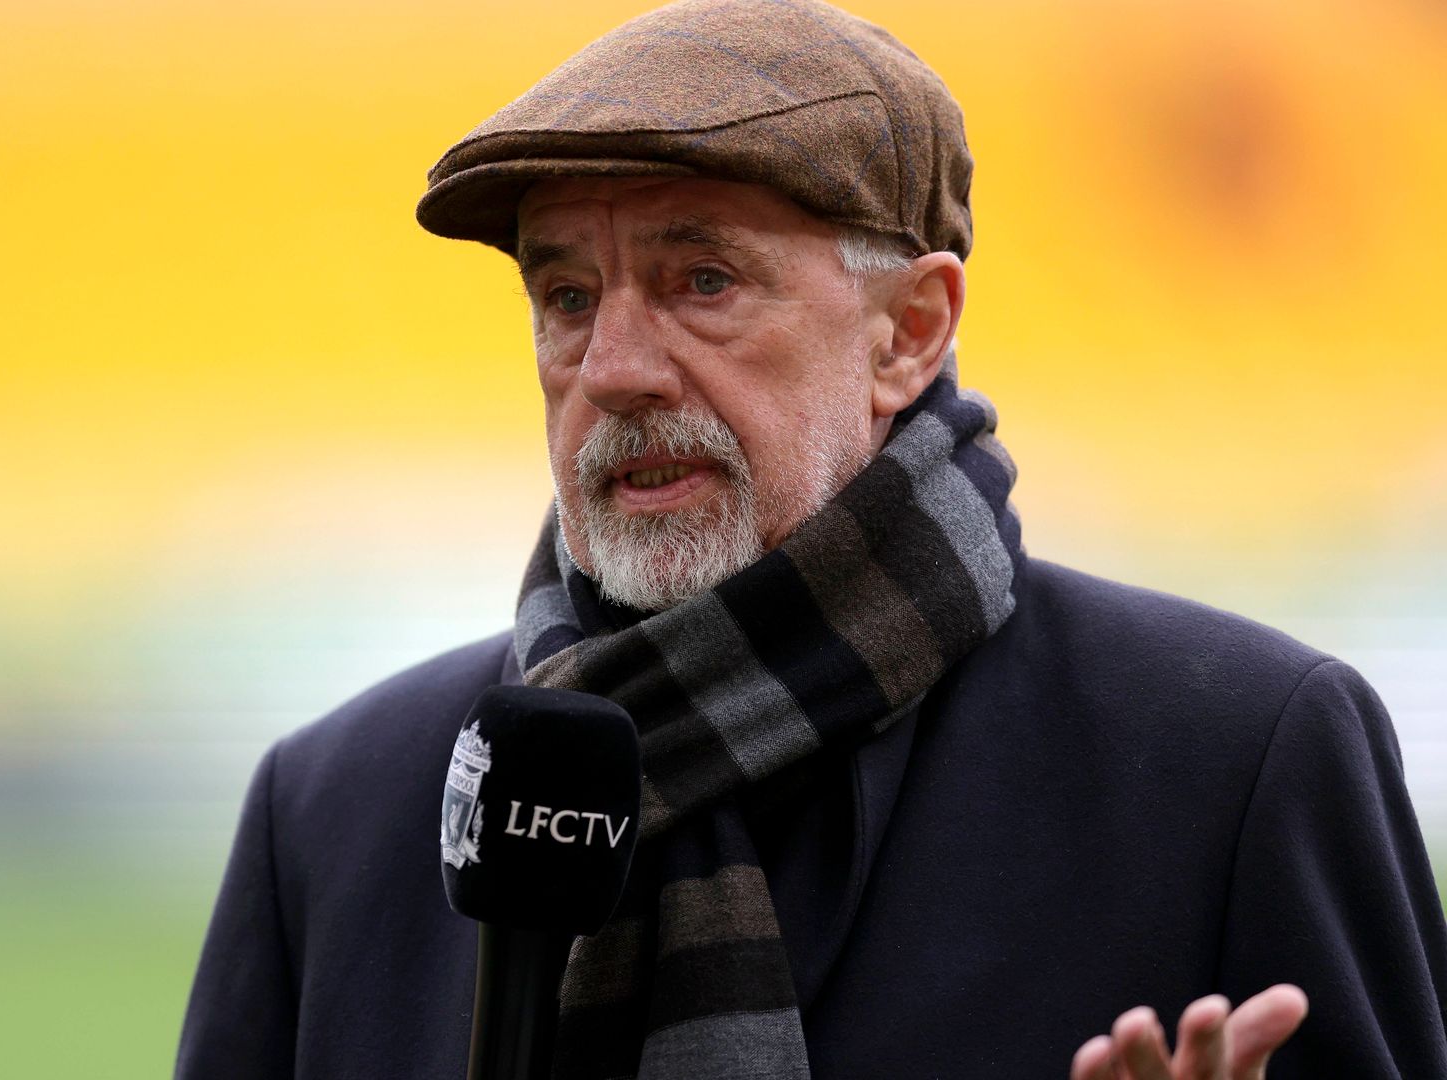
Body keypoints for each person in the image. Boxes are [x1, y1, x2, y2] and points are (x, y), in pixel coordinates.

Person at [176, 1, 1447, 1077]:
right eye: (567, 295)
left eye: (703, 282)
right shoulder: (335, 815)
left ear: (908, 333)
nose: (612, 369)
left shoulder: (1236, 763)